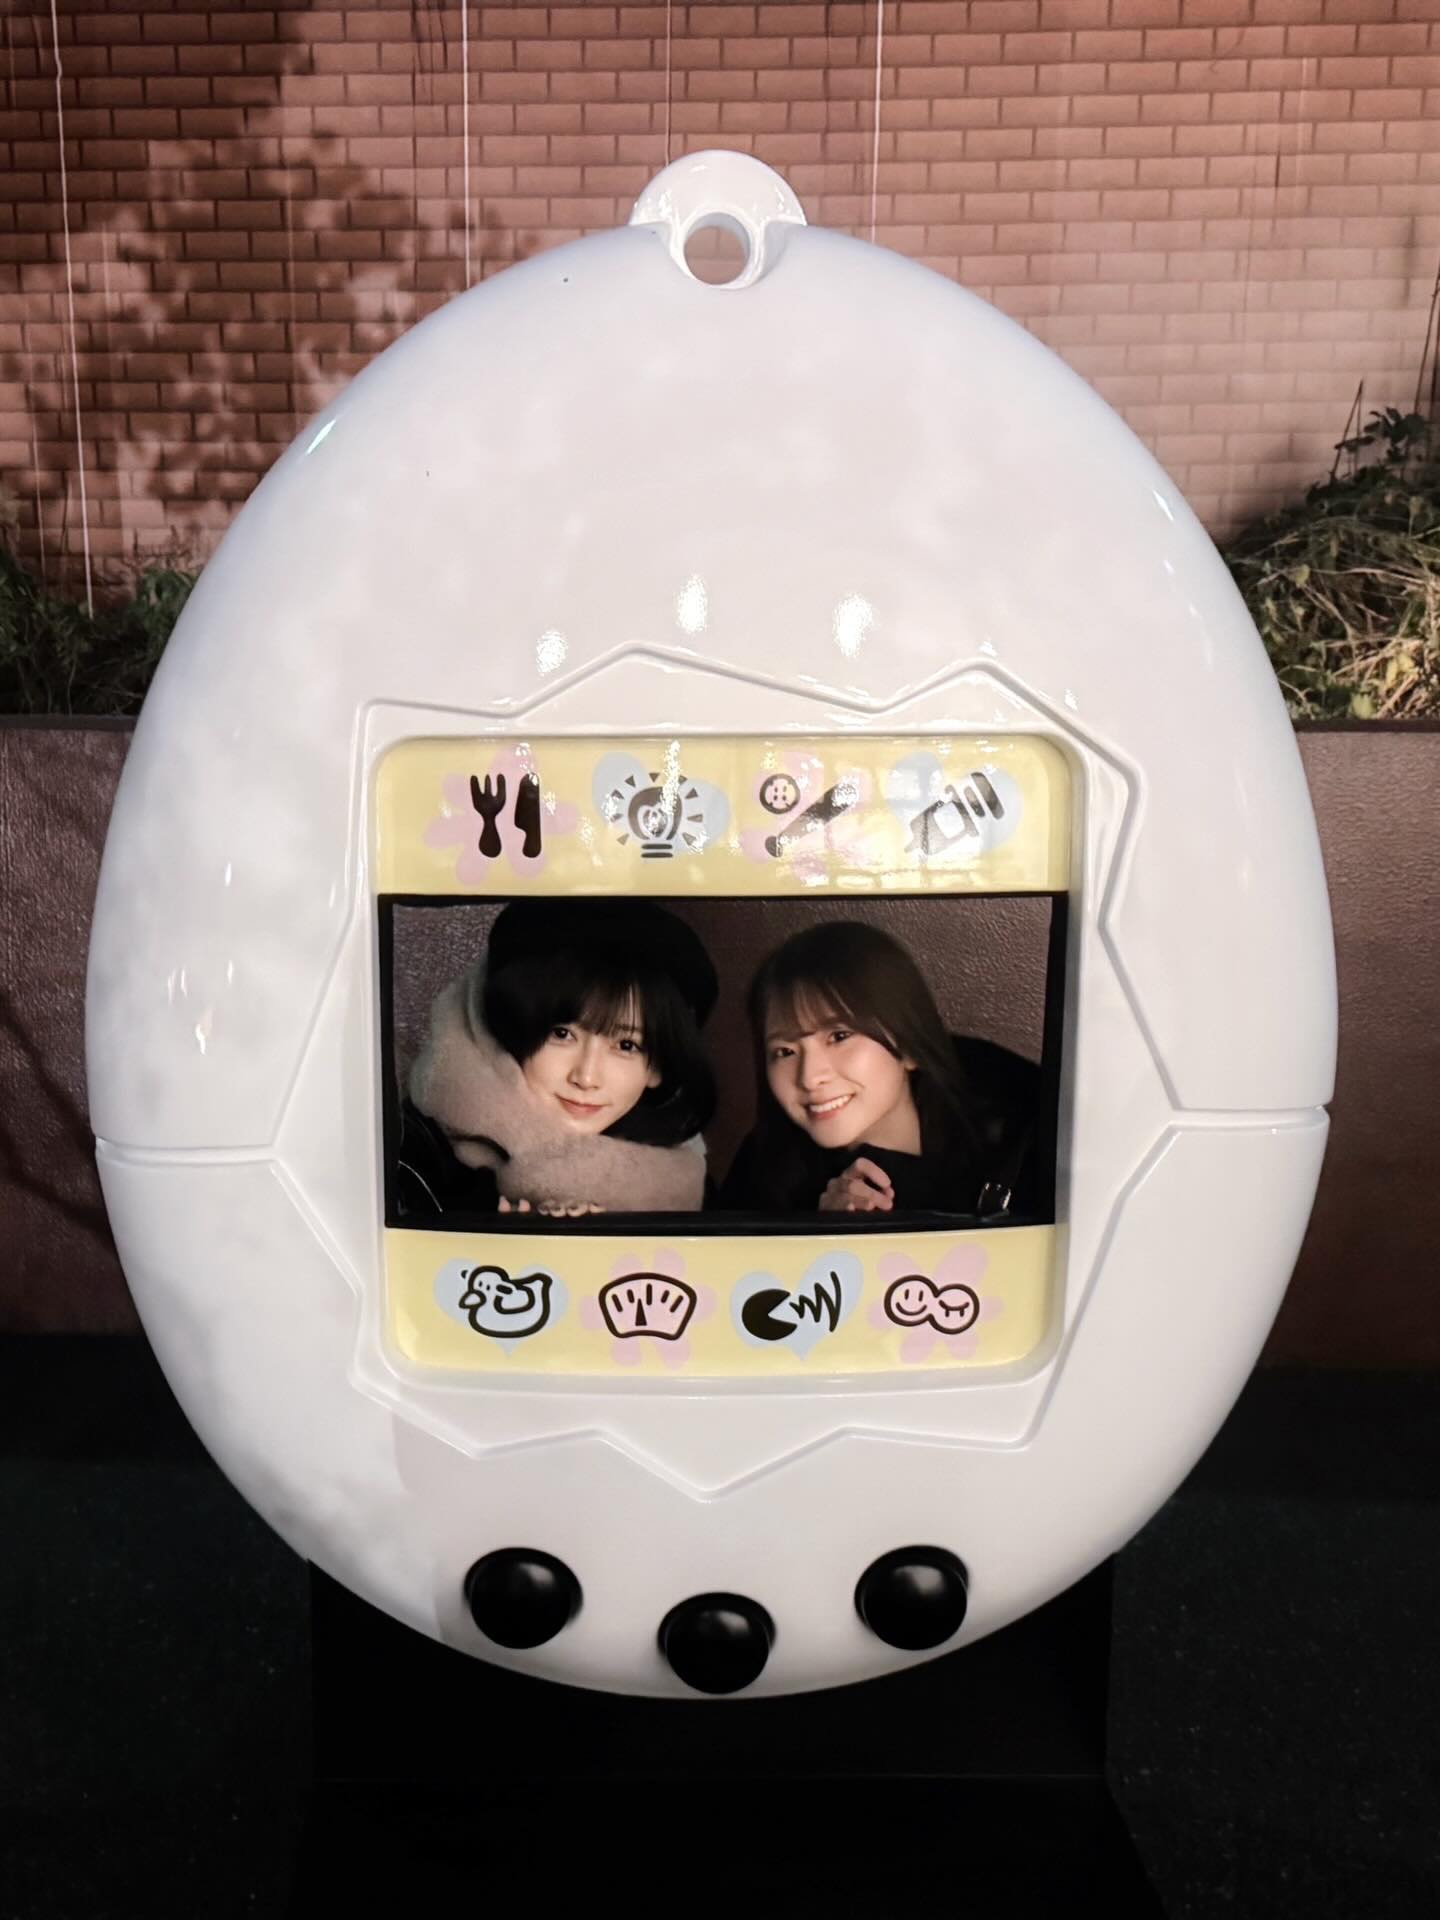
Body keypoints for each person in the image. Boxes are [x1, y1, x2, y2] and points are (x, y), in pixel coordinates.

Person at [396, 899, 717, 1217]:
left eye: (626, 1045)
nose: (586, 1078)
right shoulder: (416, 1156)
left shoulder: (688, 1180)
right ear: (512, 1031)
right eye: (562, 1034)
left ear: (657, 1067)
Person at [718, 921, 1046, 1218]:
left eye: (839, 1036)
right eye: (785, 1052)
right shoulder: (762, 1175)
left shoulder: (1024, 1142)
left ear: (909, 1045)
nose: (809, 1077)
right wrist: (820, 1235)